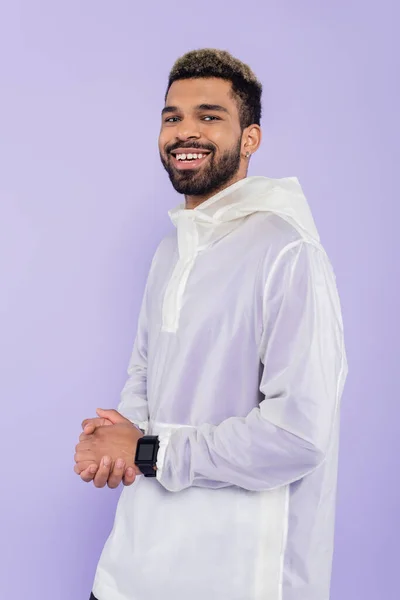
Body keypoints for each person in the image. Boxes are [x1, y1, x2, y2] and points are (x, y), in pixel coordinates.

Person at [74, 48, 348, 600]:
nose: (184, 131)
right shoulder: (171, 248)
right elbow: (146, 373)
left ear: (251, 138)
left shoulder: (288, 251)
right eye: (171, 117)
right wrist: (114, 439)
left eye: (209, 116)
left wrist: (149, 450)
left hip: (238, 576)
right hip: (133, 570)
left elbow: (297, 436)